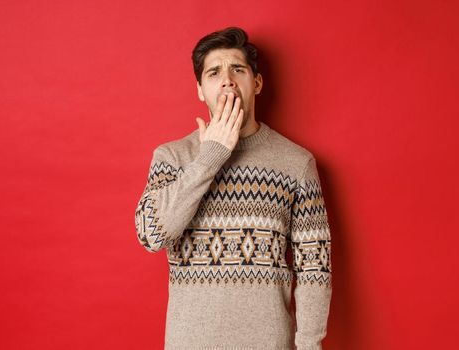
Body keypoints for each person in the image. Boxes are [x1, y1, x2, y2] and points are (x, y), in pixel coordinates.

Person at [134, 26, 333, 350]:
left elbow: (315, 269)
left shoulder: (296, 164)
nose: (227, 79)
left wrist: (309, 346)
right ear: (200, 89)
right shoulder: (172, 156)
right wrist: (210, 157)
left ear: (256, 83)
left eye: (237, 69)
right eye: (214, 72)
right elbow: (151, 236)